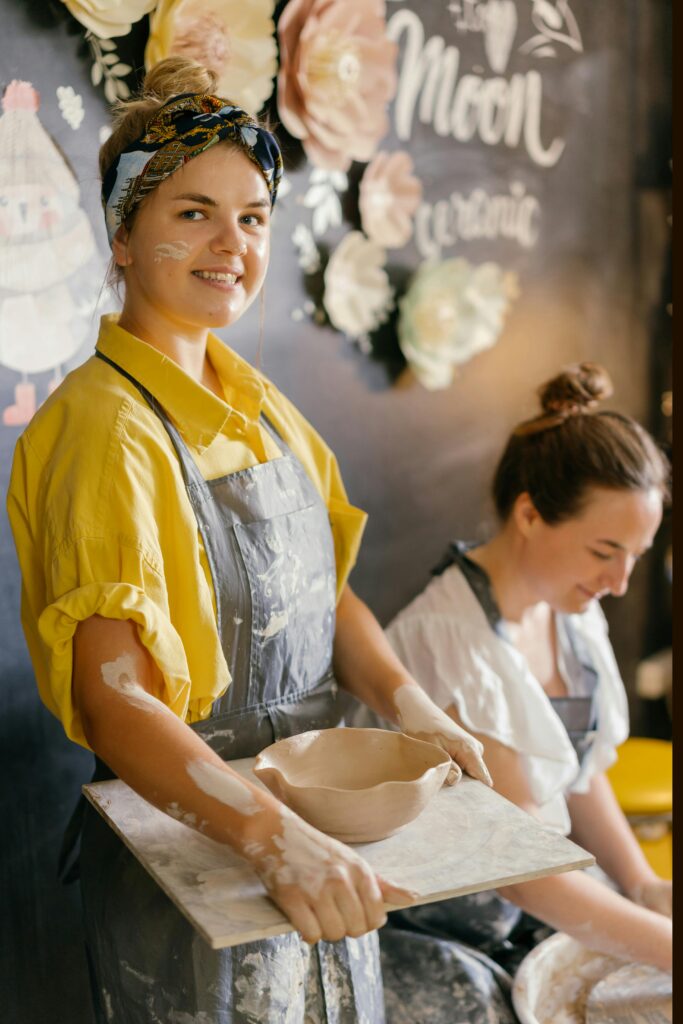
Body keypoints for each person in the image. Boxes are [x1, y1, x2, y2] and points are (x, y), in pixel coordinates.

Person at [6, 58, 491, 1024]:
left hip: (313, 835)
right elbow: (116, 701)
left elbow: (324, 595)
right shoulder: (105, 427)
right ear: (123, 236)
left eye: (253, 215)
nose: (231, 242)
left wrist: (412, 707)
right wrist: (272, 838)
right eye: (192, 212)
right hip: (192, 855)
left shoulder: (258, 405)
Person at [353, 363, 673, 1023]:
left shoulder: (570, 607)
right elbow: (519, 868)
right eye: (604, 551)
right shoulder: (448, 642)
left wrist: (641, 883)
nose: (619, 581)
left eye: (635, 556)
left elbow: (578, 775)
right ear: (528, 513)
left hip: (538, 895)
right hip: (441, 918)